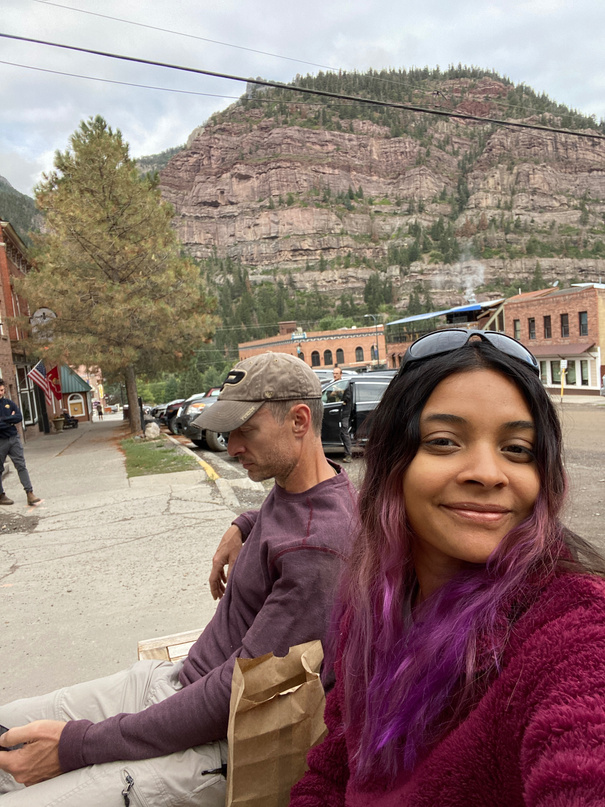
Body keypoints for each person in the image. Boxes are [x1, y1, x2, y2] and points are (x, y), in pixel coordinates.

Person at [0, 352, 356, 806]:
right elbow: (293, 516)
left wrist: (79, 745)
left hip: (217, 740)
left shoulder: (317, 551)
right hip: (176, 682)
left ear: (299, 421)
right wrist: (244, 524)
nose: (232, 446)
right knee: (7, 728)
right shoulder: (308, 487)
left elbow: (237, 694)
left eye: (245, 430)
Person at [290, 329, 605, 807]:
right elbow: (335, 769)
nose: (488, 473)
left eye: (517, 448)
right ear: (392, 462)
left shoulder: (572, 631)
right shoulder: (373, 610)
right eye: (444, 441)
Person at [0, 380, 41, 506]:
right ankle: (1, 495)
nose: (1, 392)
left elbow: (19, 417)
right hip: (0, 441)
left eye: (2, 390)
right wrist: (10, 421)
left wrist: (4, 420)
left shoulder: (9, 403)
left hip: (14, 439)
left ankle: (30, 493)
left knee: (21, 465)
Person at [331, 366, 352, 463]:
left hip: (344, 412)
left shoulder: (345, 384)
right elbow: (329, 397)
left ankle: (348, 455)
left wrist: (338, 392)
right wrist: (331, 394)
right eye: (334, 373)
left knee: (344, 431)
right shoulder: (333, 384)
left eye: (336, 373)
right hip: (335, 411)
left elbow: (347, 398)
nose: (335, 375)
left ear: (341, 374)